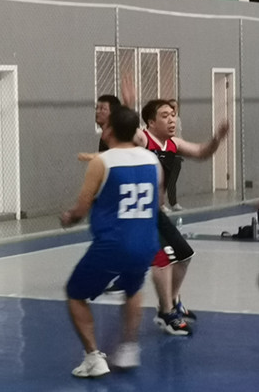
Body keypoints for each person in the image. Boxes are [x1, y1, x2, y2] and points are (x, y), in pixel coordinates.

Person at [62, 106, 161, 378]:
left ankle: (93, 357)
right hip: (146, 242)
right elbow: (158, 202)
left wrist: (68, 217)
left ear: (109, 130)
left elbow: (81, 209)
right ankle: (129, 347)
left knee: (75, 293)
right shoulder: (152, 160)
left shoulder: (102, 162)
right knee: (132, 288)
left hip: (113, 244)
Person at [135, 99, 229, 335]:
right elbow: (129, 130)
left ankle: (172, 300)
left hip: (157, 213)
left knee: (184, 255)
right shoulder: (144, 139)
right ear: (151, 122)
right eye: (165, 115)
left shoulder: (173, 143)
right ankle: (166, 313)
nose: (171, 120)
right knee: (163, 260)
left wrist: (217, 138)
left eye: (172, 115)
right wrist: (128, 103)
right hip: (139, 215)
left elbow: (202, 152)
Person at [165, 99, 183, 212]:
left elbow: (179, 136)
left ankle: (173, 202)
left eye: (175, 107)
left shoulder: (178, 120)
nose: (173, 110)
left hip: (177, 153)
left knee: (172, 179)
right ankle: (162, 204)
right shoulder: (165, 121)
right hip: (168, 153)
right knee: (165, 179)